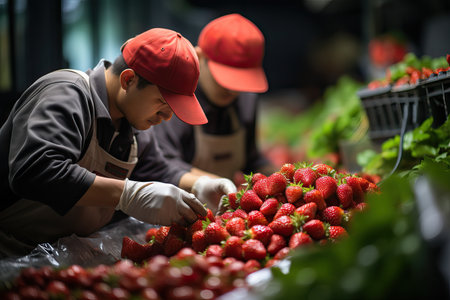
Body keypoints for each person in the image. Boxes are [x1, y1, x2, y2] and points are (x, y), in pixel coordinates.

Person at [0, 28, 236, 257]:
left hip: (57, 257)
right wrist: (127, 195)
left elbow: (157, 170)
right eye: (163, 103)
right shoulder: (66, 95)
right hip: (9, 252)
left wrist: (200, 186)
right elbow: (35, 171)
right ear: (128, 79)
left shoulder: (134, 124)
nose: (167, 117)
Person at [153, 14, 277, 191]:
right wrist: (217, 185)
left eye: (241, 81)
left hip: (225, 212)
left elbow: (251, 159)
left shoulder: (247, 100)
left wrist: (278, 177)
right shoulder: (172, 102)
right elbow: (161, 167)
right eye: (226, 79)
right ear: (199, 57)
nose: (233, 90)